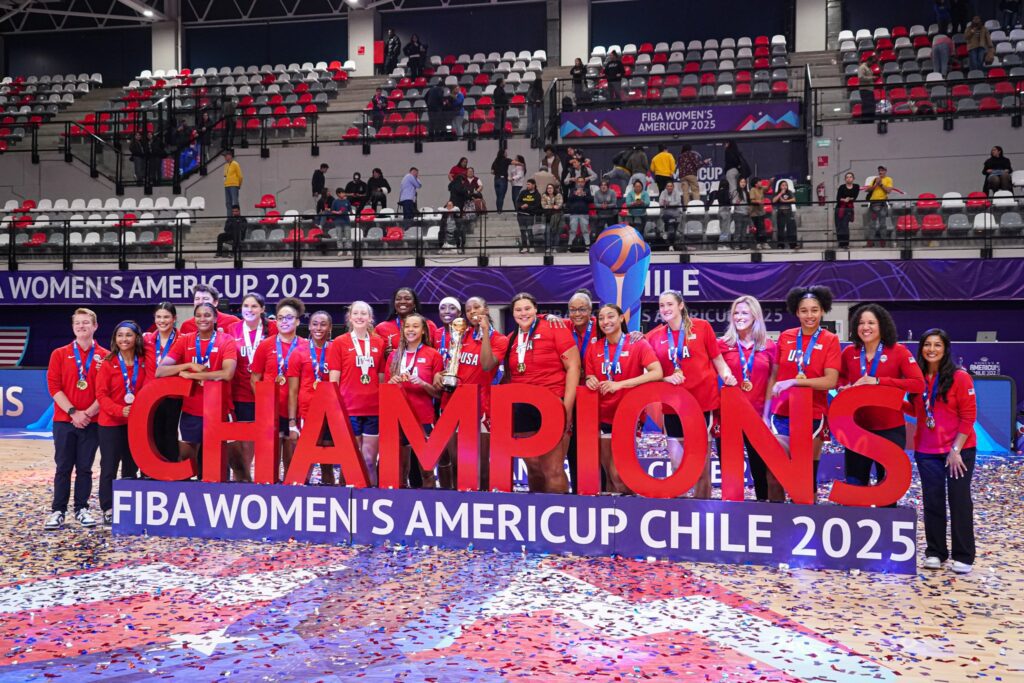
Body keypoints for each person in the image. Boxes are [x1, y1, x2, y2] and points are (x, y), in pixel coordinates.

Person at [646, 291, 737, 498]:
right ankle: (683, 516)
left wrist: (727, 375)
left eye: (669, 304)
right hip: (672, 408)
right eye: (661, 305)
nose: (665, 309)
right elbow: (648, 372)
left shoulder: (702, 327)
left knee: (700, 467)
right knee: (678, 468)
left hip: (702, 404)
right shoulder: (654, 336)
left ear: (680, 305)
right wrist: (665, 379)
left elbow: (718, 360)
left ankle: (703, 511)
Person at [906, 328, 977, 574]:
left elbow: (969, 417)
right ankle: (935, 552)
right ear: (921, 348)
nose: (932, 349)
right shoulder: (917, 378)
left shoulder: (960, 377)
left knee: (959, 501)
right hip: (926, 451)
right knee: (933, 501)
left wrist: (955, 449)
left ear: (945, 349)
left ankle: (963, 555)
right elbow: (917, 409)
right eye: (927, 344)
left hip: (959, 451)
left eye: (937, 345)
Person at [838, 304, 925, 501]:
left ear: (882, 326)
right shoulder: (849, 353)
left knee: (887, 490)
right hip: (856, 429)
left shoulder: (898, 351)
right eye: (861, 323)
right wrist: (844, 387)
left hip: (889, 430)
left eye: (871, 323)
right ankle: (855, 529)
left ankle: (886, 527)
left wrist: (878, 381)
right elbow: (840, 378)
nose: (865, 327)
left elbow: (918, 385)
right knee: (855, 486)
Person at [769, 286, 841, 499]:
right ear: (796, 312)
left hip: (813, 414)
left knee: (805, 476)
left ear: (822, 311)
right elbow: (774, 377)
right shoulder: (785, 337)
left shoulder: (830, 339)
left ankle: (807, 520)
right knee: (778, 469)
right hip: (782, 412)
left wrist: (794, 382)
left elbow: (830, 381)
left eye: (814, 310)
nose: (809, 315)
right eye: (804, 310)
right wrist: (767, 409)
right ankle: (778, 518)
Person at [584, 304, 663, 493]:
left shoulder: (637, 343)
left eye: (610, 316)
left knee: (619, 473)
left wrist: (621, 384)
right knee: (609, 475)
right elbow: (588, 375)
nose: (605, 322)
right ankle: (613, 519)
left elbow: (657, 372)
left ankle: (630, 511)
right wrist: (590, 379)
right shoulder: (594, 347)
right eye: (601, 318)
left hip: (628, 414)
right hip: (602, 415)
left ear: (621, 318)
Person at [507, 292, 579, 493]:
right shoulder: (511, 339)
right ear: (512, 314)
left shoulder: (554, 327)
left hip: (552, 402)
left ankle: (561, 517)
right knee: (534, 468)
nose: (523, 313)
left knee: (553, 469)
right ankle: (537, 514)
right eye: (518, 310)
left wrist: (568, 407)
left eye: (527, 308)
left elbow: (573, 366)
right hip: (523, 408)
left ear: (536, 310)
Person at [433, 296, 508, 489]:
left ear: (486, 310)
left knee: (481, 467)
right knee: (459, 464)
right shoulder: (459, 335)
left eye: (477, 307)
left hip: (481, 406)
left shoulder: (499, 339)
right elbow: (451, 365)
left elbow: (486, 365)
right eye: (468, 309)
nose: (472, 312)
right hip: (453, 404)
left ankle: (483, 505)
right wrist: (439, 374)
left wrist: (484, 331)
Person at [45, 308, 107, 530]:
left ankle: (82, 508)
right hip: (64, 420)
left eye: (86, 323)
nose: (82, 326)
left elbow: (105, 391)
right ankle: (58, 511)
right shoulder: (59, 354)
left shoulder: (105, 355)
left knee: (85, 468)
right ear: (73, 327)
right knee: (63, 467)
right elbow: (54, 387)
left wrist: (87, 413)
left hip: (92, 421)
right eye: (77, 323)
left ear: (95, 326)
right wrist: (73, 412)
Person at [156, 302, 238, 465]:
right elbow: (160, 371)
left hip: (220, 409)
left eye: (207, 315)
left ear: (215, 318)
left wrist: (194, 376)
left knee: (220, 463)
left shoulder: (226, 340)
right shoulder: (185, 340)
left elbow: (227, 374)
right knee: (186, 460)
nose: (202, 319)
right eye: (198, 315)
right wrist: (188, 365)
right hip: (191, 410)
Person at [717, 296, 778, 502]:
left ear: (755, 315)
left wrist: (767, 415)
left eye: (744, 312)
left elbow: (771, 382)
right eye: (736, 313)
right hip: (728, 418)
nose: (739, 317)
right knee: (730, 472)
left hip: (757, 417)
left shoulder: (769, 346)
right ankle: (732, 515)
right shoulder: (722, 345)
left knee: (760, 470)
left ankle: (762, 509)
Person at [328, 302, 386, 485]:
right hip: (349, 408)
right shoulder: (340, 342)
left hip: (373, 409)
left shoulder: (379, 342)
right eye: (356, 313)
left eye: (364, 314)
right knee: (350, 460)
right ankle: (348, 499)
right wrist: (335, 408)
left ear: (370, 318)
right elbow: (333, 378)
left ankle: (372, 498)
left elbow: (381, 376)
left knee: (369, 460)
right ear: (350, 317)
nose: (360, 317)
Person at [95, 321, 145, 524]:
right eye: (120, 335)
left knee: (131, 466)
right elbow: (101, 395)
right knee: (109, 467)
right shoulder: (108, 362)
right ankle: (108, 507)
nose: (124, 339)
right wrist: (119, 410)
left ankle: (128, 506)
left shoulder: (143, 361)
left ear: (136, 338)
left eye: (128, 335)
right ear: (115, 339)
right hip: (111, 423)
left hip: (135, 423)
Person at [386, 314, 443, 488]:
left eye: (415, 326)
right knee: (400, 472)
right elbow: (386, 389)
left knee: (426, 471)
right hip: (399, 419)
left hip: (423, 418)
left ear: (423, 330)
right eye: (407, 326)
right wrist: (391, 383)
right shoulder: (394, 356)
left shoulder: (433, 355)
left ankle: (430, 506)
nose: (411, 329)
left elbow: (438, 394)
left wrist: (423, 383)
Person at [250, 297, 305, 474]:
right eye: (280, 318)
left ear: (297, 321)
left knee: (292, 457)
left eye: (289, 317)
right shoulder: (265, 345)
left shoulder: (305, 346)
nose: (284, 321)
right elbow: (254, 378)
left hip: (294, 412)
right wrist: (264, 404)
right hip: (271, 411)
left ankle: (290, 491)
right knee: (269, 460)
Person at [226, 293, 277, 482]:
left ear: (263, 309)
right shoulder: (232, 329)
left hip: (266, 392)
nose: (249, 310)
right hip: (241, 392)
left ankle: (261, 478)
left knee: (264, 439)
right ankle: (243, 478)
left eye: (254, 306)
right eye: (246, 306)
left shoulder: (272, 328)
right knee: (243, 438)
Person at [287, 310, 335, 485]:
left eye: (323, 324)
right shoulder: (298, 352)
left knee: (327, 462)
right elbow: (293, 390)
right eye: (315, 323)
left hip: (332, 413)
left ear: (330, 327)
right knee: (305, 459)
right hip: (307, 413)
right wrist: (292, 422)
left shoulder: (337, 349)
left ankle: (331, 496)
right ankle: (301, 496)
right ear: (309, 326)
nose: (318, 328)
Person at [143, 303, 181, 463]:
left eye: (166, 317)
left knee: (171, 435)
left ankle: (171, 473)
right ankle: (152, 474)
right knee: (153, 434)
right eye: (158, 317)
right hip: (151, 397)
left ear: (174, 319)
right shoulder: (146, 340)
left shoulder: (183, 340)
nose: (162, 320)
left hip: (174, 396)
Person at [375, 287, 439, 352]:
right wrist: (385, 355)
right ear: (394, 304)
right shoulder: (381, 328)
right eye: (398, 299)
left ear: (414, 304)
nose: (402, 302)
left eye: (407, 299)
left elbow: (436, 352)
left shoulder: (428, 325)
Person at [865, 166, 894, 247]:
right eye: (879, 170)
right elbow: (867, 190)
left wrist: (881, 184)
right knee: (872, 224)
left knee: (882, 224)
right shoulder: (875, 179)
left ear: (885, 171)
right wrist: (875, 184)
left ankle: (883, 242)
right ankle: (870, 243)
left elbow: (889, 191)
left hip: (882, 204)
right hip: (873, 203)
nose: (880, 172)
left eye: (882, 170)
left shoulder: (888, 179)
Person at [565, 176, 593, 247]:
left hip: (584, 213)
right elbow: (569, 200)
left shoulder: (587, 190)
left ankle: (587, 246)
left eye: (582, 182)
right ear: (576, 182)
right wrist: (575, 194)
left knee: (585, 231)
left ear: (584, 183)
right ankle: (570, 246)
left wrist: (584, 195)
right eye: (579, 182)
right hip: (574, 213)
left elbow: (590, 200)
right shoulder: (572, 190)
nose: (580, 183)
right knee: (572, 231)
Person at [517, 178, 543, 252]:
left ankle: (531, 247)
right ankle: (524, 247)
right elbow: (518, 202)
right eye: (527, 184)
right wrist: (521, 206)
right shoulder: (523, 192)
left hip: (530, 216)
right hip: (520, 215)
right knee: (522, 231)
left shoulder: (537, 195)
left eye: (529, 184)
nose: (527, 185)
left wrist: (527, 206)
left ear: (533, 185)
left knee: (529, 231)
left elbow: (537, 206)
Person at [835, 172, 859, 249]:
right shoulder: (842, 187)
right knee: (839, 225)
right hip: (840, 207)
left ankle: (845, 243)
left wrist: (849, 199)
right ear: (845, 179)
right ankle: (840, 243)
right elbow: (838, 198)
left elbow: (854, 197)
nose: (849, 178)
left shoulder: (856, 186)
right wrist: (844, 199)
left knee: (845, 225)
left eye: (850, 177)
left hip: (848, 208)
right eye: (847, 177)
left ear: (853, 178)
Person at [772, 180, 797, 249]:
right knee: (780, 229)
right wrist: (780, 193)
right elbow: (774, 201)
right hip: (780, 212)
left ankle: (793, 245)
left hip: (789, 212)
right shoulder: (777, 193)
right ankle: (780, 245)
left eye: (785, 185)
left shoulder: (789, 192)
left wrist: (785, 201)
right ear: (780, 186)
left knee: (791, 228)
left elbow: (794, 200)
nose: (784, 186)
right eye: (783, 185)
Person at [541, 182, 564, 252]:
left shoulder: (558, 195)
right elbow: (544, 206)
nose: (549, 189)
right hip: (547, 217)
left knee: (556, 232)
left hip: (557, 217)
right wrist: (553, 206)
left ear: (554, 189)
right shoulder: (544, 195)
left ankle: (555, 247)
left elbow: (559, 205)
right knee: (547, 232)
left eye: (551, 188)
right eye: (548, 188)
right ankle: (548, 247)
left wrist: (550, 206)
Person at [730, 177, 752, 249]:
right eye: (741, 182)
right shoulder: (736, 192)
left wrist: (749, 209)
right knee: (738, 231)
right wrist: (737, 202)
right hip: (738, 214)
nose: (743, 184)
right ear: (738, 183)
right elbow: (733, 202)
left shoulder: (746, 192)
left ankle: (743, 245)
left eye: (744, 182)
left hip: (746, 214)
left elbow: (748, 203)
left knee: (744, 232)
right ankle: (736, 245)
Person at [748, 177, 767, 249]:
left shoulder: (762, 188)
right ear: (756, 184)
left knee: (762, 228)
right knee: (757, 228)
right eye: (760, 181)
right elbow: (752, 201)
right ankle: (758, 243)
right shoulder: (752, 190)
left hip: (761, 212)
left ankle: (764, 243)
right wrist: (758, 201)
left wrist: (771, 182)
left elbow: (767, 188)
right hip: (754, 213)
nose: (761, 183)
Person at [223, 148, 242, 216]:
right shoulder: (226, 165)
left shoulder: (235, 164)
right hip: (227, 186)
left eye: (226, 156)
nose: (225, 157)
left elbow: (240, 176)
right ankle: (229, 219)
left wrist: (239, 185)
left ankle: (237, 218)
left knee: (235, 203)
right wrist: (225, 184)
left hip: (234, 185)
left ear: (230, 156)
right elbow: (225, 176)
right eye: (224, 156)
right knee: (228, 203)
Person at [857, 56, 877, 122]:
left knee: (871, 106)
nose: (873, 64)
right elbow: (861, 77)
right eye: (872, 62)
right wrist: (872, 78)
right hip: (865, 90)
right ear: (869, 61)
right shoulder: (862, 67)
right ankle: (865, 121)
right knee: (866, 107)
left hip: (869, 90)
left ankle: (871, 120)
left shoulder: (869, 68)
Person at [491, 148, 511, 213]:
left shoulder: (495, 160)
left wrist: (497, 173)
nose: (507, 153)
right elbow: (514, 162)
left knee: (498, 196)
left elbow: (492, 171)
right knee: (501, 196)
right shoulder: (506, 160)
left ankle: (498, 210)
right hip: (503, 179)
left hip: (496, 179)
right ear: (503, 153)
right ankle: (500, 211)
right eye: (506, 152)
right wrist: (522, 164)